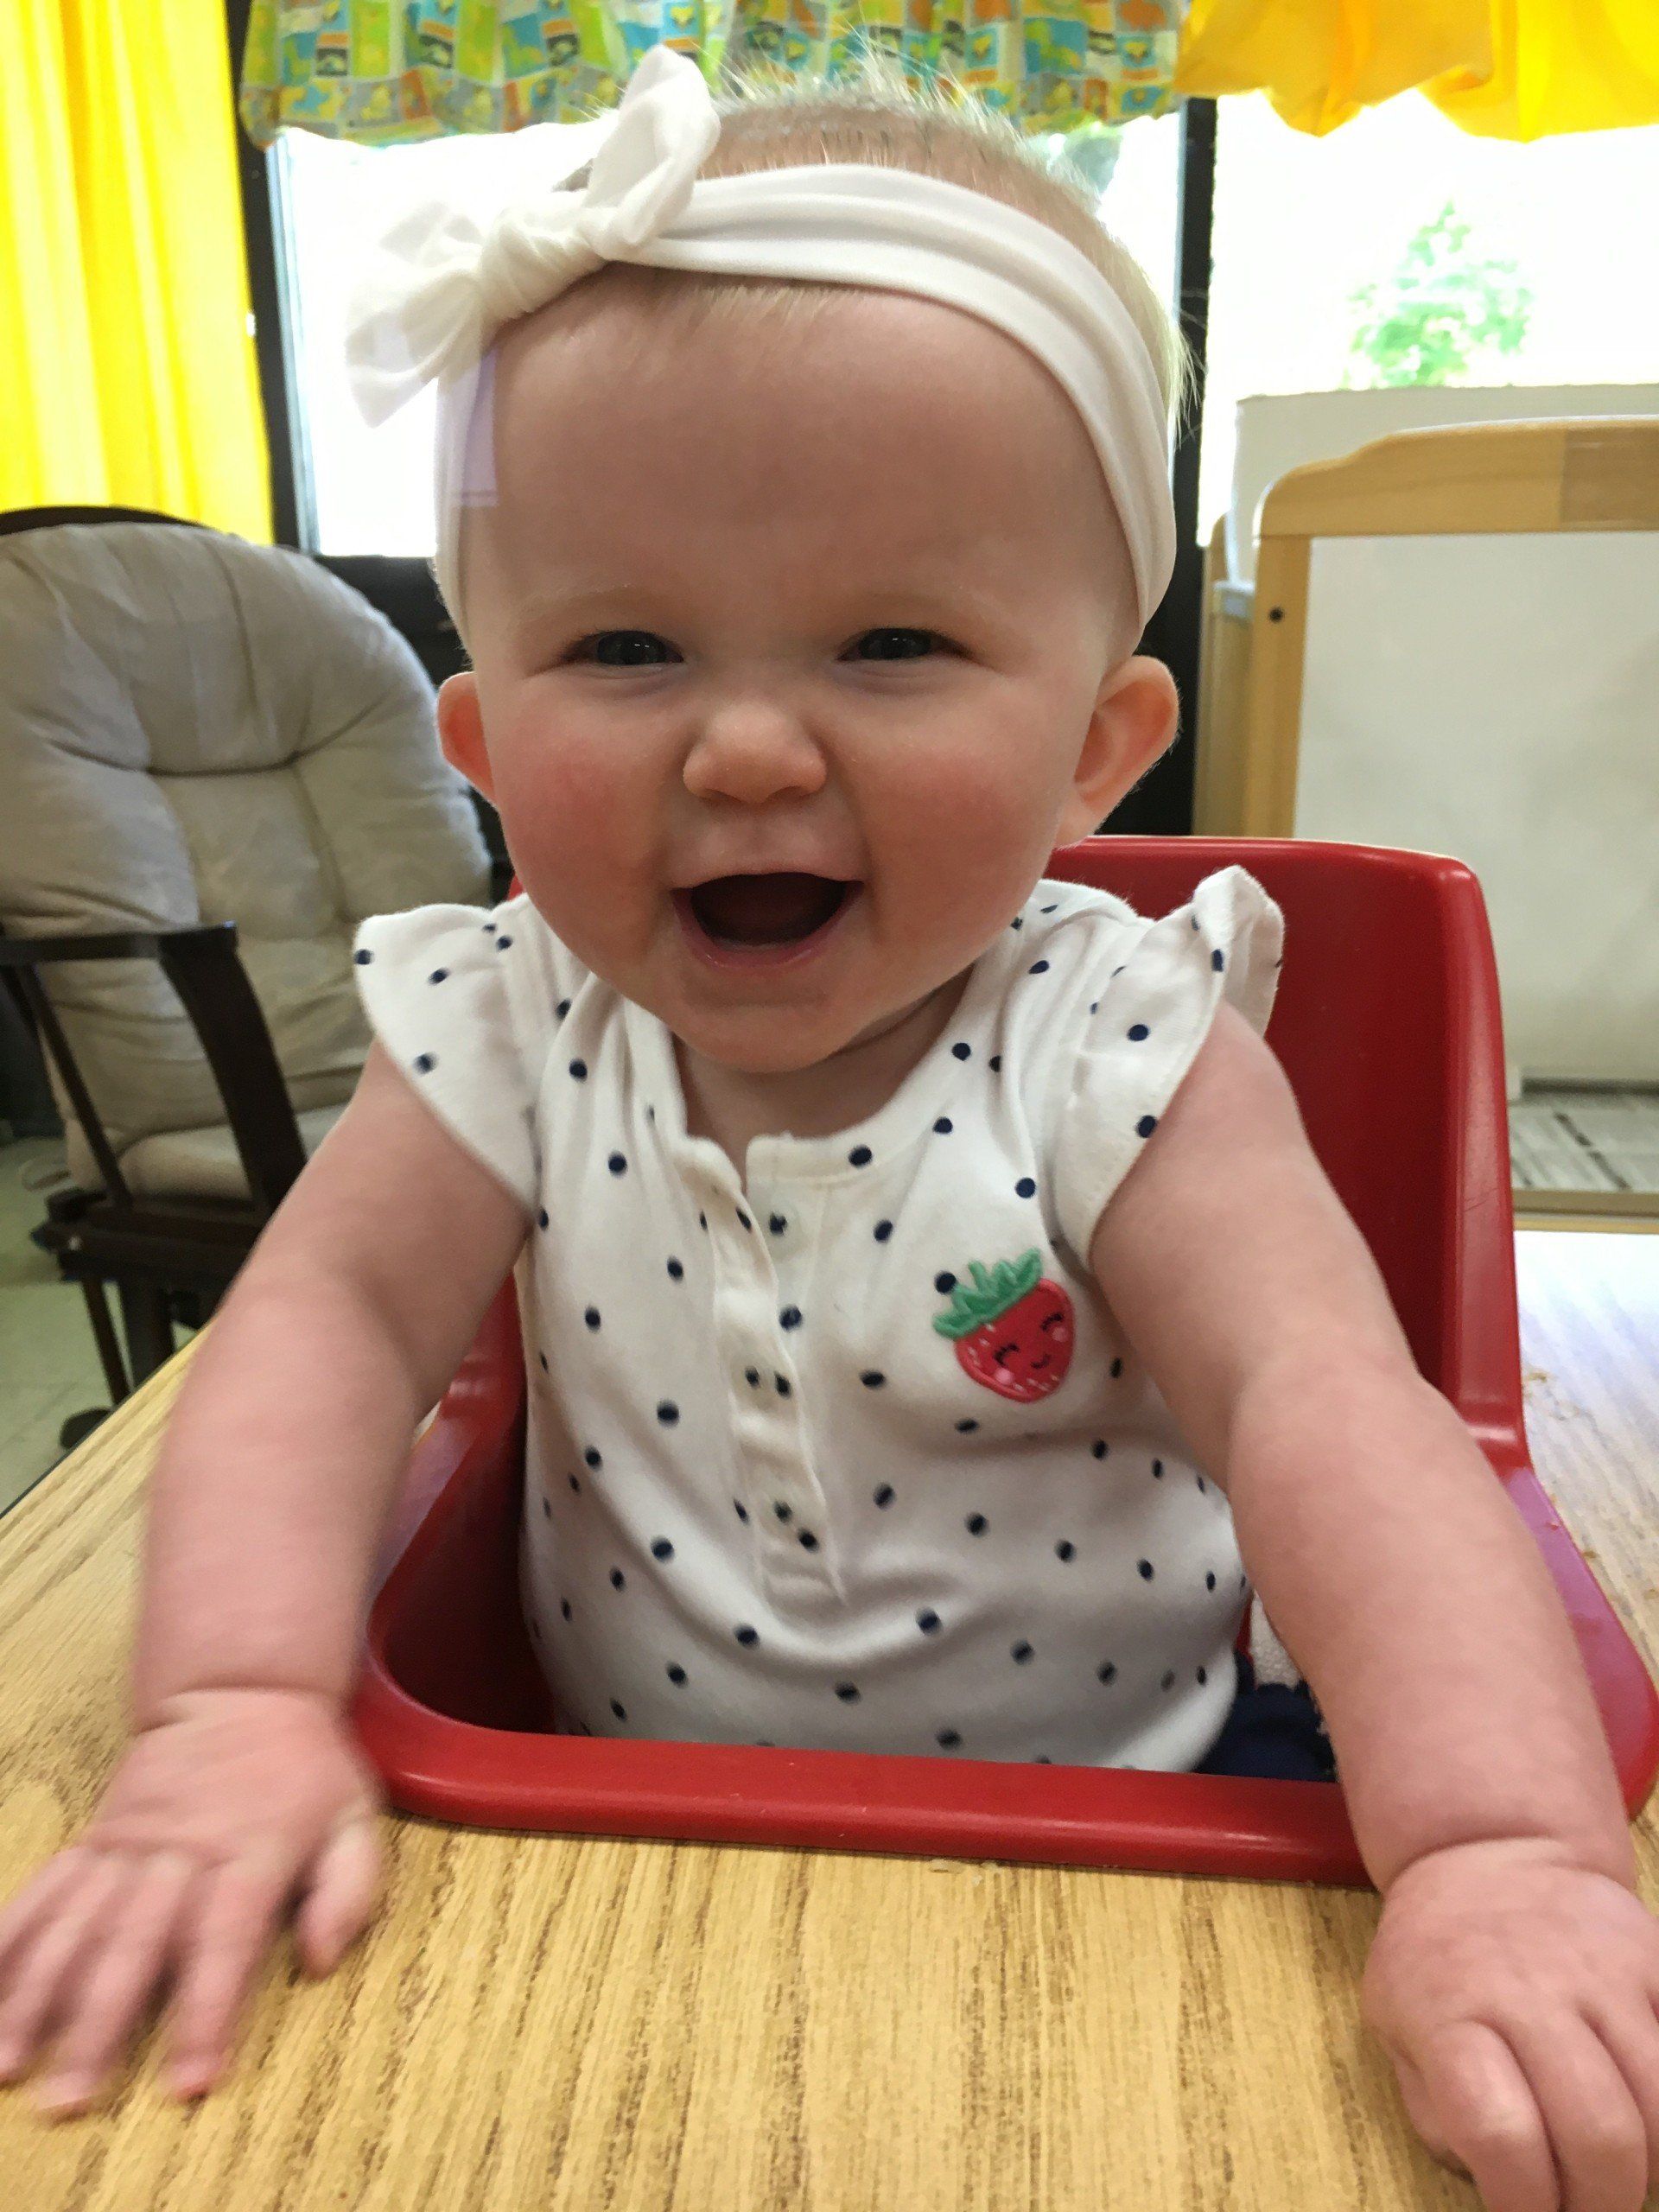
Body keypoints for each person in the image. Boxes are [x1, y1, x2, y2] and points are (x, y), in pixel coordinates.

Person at [2, 45, 1656, 2212]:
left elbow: (1327, 1407)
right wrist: (225, 1704)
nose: (751, 748)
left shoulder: (1115, 1039)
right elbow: (315, 1337)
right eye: (627, 647)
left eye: (891, 641)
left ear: (1098, 746)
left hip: (1150, 1822)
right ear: (481, 740)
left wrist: (1498, 1844)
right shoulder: (504, 1014)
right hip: (609, 1849)